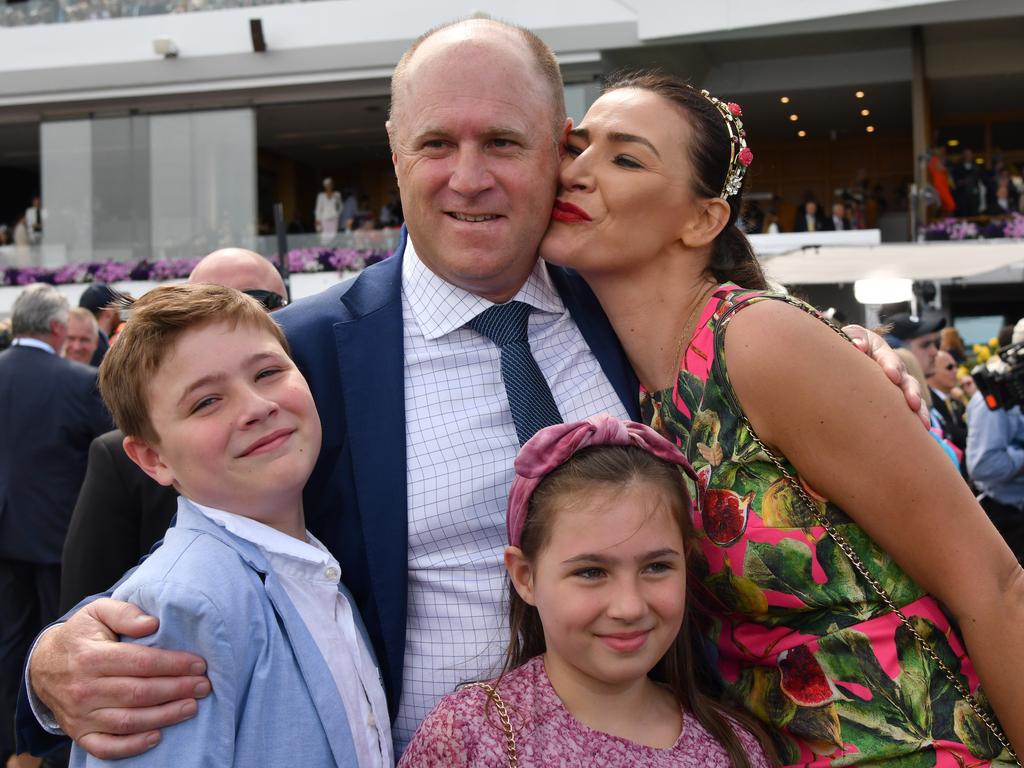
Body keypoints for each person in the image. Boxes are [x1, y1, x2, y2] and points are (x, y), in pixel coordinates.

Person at [19, 19, 920, 763]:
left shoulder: (634, 318)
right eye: (437, 143)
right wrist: (47, 672)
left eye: (503, 142)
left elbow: (763, 375)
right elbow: (144, 567)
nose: (470, 177)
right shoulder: (293, 365)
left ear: (559, 152)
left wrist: (855, 354)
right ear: (395, 152)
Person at [538, 72, 1022, 763]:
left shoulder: (759, 340)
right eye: (576, 149)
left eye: (624, 157)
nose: (577, 174)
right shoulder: (628, 386)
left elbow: (996, 586)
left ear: (702, 219)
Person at [71, 282, 391, 767]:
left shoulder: (310, 565)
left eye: (267, 372)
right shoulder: (180, 607)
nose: (257, 407)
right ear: (153, 458)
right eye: (206, 402)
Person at [400, 415, 773, 767]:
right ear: (525, 576)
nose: (628, 607)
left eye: (656, 567)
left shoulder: (731, 749)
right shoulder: (471, 735)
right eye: (592, 572)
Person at [59, 248, 289, 614]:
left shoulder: (314, 420)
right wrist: (49, 654)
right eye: (201, 306)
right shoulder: (122, 461)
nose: (223, 319)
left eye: (255, 302)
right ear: (153, 459)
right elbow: (85, 610)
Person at [0, 285, 112, 768]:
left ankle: (11, 746)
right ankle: (52, 752)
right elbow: (112, 450)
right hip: (58, 539)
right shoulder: (77, 382)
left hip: (6, 537)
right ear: (56, 329)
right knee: (59, 647)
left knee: (7, 644)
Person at [78, 284, 120, 367]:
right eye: (117, 306)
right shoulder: (98, 345)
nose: (119, 311)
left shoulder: (86, 341)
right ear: (109, 311)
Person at [315, 177, 343, 243]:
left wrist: (337, 214)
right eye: (327, 185)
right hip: (324, 219)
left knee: (333, 237)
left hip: (334, 219)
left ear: (333, 185)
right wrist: (317, 219)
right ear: (324, 186)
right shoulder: (320, 196)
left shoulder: (337, 194)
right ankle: (325, 251)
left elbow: (341, 207)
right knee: (324, 238)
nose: (329, 186)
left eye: (330, 184)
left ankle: (332, 251)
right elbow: (318, 208)